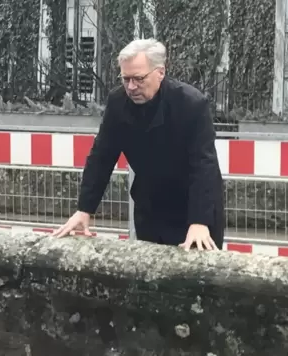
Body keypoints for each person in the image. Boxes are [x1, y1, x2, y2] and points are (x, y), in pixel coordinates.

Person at [53, 38, 225, 251]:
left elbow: (204, 165)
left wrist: (199, 221)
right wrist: (84, 209)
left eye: (139, 79)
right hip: (150, 207)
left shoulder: (192, 104)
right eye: (125, 79)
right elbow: (102, 157)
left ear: (160, 72)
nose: (131, 87)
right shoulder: (118, 102)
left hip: (193, 208)